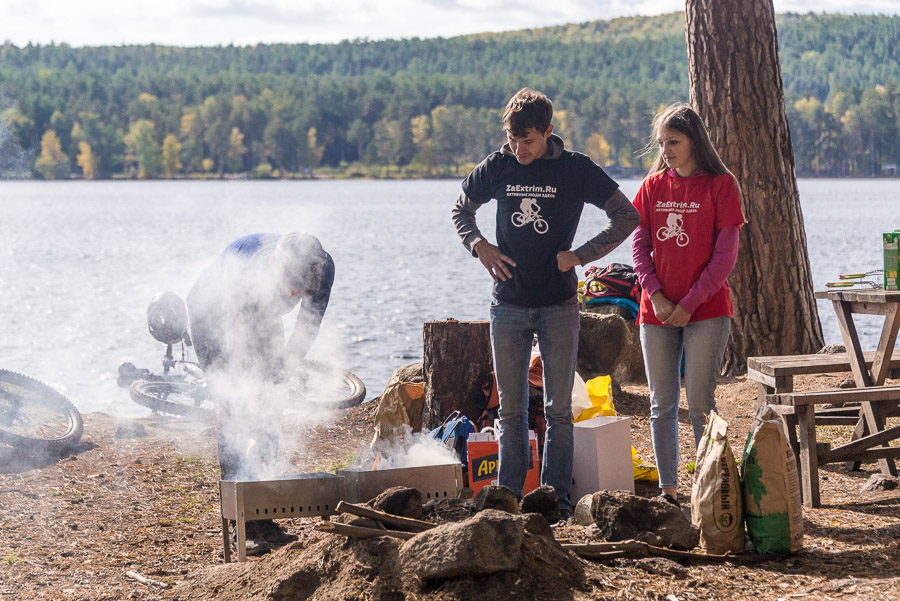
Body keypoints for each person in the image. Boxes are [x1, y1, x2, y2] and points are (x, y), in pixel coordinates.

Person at [452, 88, 639, 520]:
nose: (520, 151)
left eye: (529, 142)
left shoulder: (575, 170)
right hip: (508, 305)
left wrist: (580, 255)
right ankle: (507, 501)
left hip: (559, 306)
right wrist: (479, 246)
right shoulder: (498, 165)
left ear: (549, 132)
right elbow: (462, 210)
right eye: (513, 141)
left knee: (558, 409)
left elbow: (627, 216)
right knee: (511, 409)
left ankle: (555, 501)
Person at [186, 232, 334, 555]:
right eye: (288, 286)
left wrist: (282, 374)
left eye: (300, 290)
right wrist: (244, 401)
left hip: (262, 315)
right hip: (211, 314)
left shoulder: (322, 268)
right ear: (272, 264)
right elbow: (234, 355)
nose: (294, 294)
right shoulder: (245, 279)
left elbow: (308, 327)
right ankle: (241, 527)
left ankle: (262, 516)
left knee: (271, 404)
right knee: (234, 408)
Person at [631, 103, 745, 507]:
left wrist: (691, 302)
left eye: (673, 142)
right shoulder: (652, 186)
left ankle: (711, 491)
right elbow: (639, 245)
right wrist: (657, 295)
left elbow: (725, 257)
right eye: (661, 143)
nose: (666, 150)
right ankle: (669, 493)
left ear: (694, 140)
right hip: (656, 313)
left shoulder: (721, 185)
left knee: (699, 403)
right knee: (661, 405)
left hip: (708, 313)